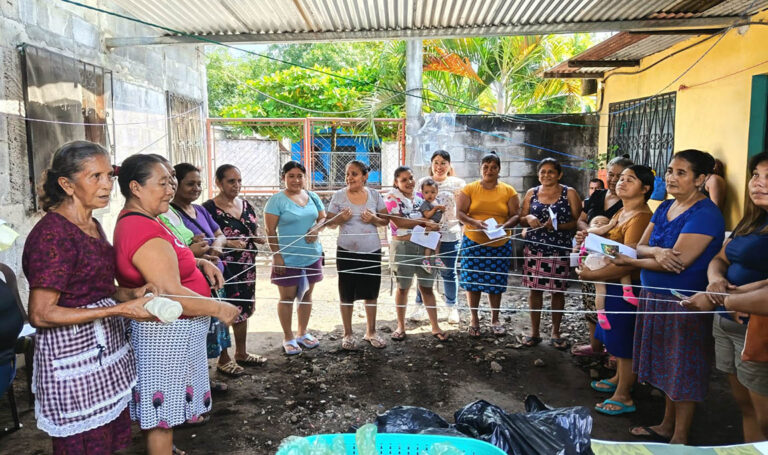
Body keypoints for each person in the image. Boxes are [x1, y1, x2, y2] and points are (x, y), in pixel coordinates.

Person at [22, 141, 155, 454]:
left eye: (109, 175)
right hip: (72, 359)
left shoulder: (91, 224)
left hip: (102, 356)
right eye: (95, 176)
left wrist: (132, 293)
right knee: (82, 445)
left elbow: (98, 289)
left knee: (107, 441)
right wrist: (120, 310)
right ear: (67, 184)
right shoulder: (53, 235)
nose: (107, 185)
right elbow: (41, 314)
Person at [113, 153, 239, 455]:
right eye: (163, 182)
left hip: (174, 334)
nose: (171, 188)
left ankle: (165, 448)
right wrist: (218, 308)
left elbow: (170, 260)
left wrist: (198, 263)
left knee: (166, 411)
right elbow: (170, 293)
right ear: (136, 187)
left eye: (172, 181)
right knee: (161, 415)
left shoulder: (151, 219)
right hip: (164, 337)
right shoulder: (141, 228)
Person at [613, 149, 724, 444]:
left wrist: (635, 261)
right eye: (670, 171)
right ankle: (666, 425)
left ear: (701, 179)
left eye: (681, 173)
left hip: (683, 301)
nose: (671, 178)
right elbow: (640, 246)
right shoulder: (665, 207)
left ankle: (680, 437)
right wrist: (657, 251)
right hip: (654, 296)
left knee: (682, 368)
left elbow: (679, 262)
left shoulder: (705, 214)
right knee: (665, 365)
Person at [682, 151, 768, 442]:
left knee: (766, 418)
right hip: (727, 323)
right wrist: (716, 280)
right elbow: (720, 258)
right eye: (755, 175)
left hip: (756, 331)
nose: (758, 183)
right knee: (745, 407)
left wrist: (722, 300)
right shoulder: (751, 221)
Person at [575, 165, 654, 416]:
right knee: (614, 337)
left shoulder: (641, 217)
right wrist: (590, 239)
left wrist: (592, 273)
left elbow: (628, 258)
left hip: (626, 285)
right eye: (621, 178)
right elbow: (610, 244)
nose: (621, 182)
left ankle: (624, 394)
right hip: (611, 282)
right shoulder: (622, 211)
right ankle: (619, 377)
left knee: (623, 339)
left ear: (645, 188)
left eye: (630, 179)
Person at [171, 163, 241, 392]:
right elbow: (176, 250)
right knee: (200, 331)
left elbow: (219, 234)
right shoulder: (171, 214)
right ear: (176, 185)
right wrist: (197, 252)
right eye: (190, 184)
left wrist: (216, 248)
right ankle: (200, 381)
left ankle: (220, 362)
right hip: (194, 280)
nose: (196, 188)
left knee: (218, 323)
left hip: (214, 274)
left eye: (199, 184)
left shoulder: (199, 210)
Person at [203, 164, 267, 375]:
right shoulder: (208, 209)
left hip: (247, 267)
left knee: (243, 308)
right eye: (231, 181)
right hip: (222, 269)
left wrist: (257, 237)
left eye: (239, 181)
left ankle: (242, 352)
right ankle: (224, 359)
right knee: (224, 310)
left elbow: (253, 229)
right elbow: (205, 239)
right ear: (218, 182)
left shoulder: (246, 205)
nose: (236, 185)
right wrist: (229, 243)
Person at [325, 160, 390, 350]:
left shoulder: (374, 195)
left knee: (371, 293)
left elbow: (386, 220)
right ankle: (348, 334)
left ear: (364, 176)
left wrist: (373, 218)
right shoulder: (339, 196)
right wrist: (340, 218)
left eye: (354, 174)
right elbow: (329, 224)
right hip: (346, 252)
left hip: (371, 251)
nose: (349, 178)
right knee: (346, 293)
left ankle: (371, 332)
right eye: (347, 174)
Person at [573, 156, 633, 357]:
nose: (615, 180)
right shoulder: (597, 195)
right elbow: (581, 219)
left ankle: (613, 351)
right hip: (590, 252)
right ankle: (595, 346)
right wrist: (587, 232)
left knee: (608, 301)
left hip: (610, 259)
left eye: (620, 176)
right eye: (611, 174)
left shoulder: (627, 202)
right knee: (590, 300)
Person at [264, 161, 326, 355]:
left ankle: (302, 333)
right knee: (287, 298)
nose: (296, 180)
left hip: (312, 255)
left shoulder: (313, 196)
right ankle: (288, 337)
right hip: (287, 258)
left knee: (306, 295)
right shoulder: (276, 201)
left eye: (300, 176)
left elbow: (323, 218)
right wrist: (277, 256)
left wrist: (316, 228)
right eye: (291, 176)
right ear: (283, 177)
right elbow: (270, 231)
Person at [519, 157, 582, 349]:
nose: (546, 175)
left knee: (557, 291)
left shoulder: (569, 192)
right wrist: (529, 217)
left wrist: (557, 226)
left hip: (559, 248)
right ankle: (534, 332)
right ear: (538, 175)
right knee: (535, 290)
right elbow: (521, 218)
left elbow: (578, 221)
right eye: (543, 172)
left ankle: (556, 332)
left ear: (559, 174)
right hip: (534, 248)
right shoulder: (532, 193)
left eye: (551, 172)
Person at [455, 151, 520, 337]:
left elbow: (516, 215)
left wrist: (505, 225)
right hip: (473, 242)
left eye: (493, 167)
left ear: (499, 169)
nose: (489, 170)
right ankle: (474, 319)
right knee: (472, 282)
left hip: (500, 244)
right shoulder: (470, 189)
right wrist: (475, 223)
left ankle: (495, 319)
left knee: (495, 283)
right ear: (480, 168)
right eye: (486, 167)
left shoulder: (509, 191)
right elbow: (460, 213)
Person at [385, 166, 448, 342]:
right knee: (403, 287)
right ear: (396, 182)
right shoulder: (391, 198)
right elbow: (398, 222)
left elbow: (435, 218)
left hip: (424, 246)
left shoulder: (422, 196)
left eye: (411, 178)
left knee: (427, 287)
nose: (409, 182)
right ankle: (400, 326)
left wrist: (431, 223)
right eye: (404, 180)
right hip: (403, 247)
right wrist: (424, 221)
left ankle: (435, 326)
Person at [412, 150, 466, 325]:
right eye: (436, 162)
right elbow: (417, 207)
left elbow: (463, 209)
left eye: (443, 163)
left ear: (449, 165)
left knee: (448, 272)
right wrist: (425, 222)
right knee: (424, 271)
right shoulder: (422, 182)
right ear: (431, 164)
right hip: (427, 233)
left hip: (449, 233)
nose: (439, 166)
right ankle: (419, 306)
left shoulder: (458, 184)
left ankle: (452, 308)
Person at [418, 178, 446, 272]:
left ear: (437, 192)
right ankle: (426, 260)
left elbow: (441, 213)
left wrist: (442, 209)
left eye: (433, 192)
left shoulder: (437, 201)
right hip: (429, 226)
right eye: (426, 192)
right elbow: (427, 215)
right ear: (422, 193)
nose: (430, 195)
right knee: (429, 244)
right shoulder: (425, 204)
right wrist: (435, 209)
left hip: (437, 227)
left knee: (437, 242)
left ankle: (437, 258)